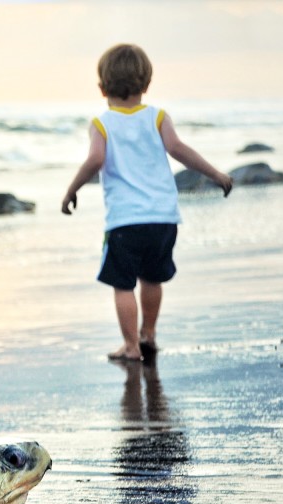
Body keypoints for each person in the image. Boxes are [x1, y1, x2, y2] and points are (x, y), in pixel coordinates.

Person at [62, 44, 233, 362]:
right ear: (147, 84)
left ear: (102, 88)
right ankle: (148, 335)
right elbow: (179, 149)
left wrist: (72, 189)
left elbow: (95, 159)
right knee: (152, 278)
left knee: (122, 284)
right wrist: (215, 173)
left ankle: (130, 346)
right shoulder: (158, 117)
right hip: (163, 218)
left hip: (125, 221)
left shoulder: (102, 124)